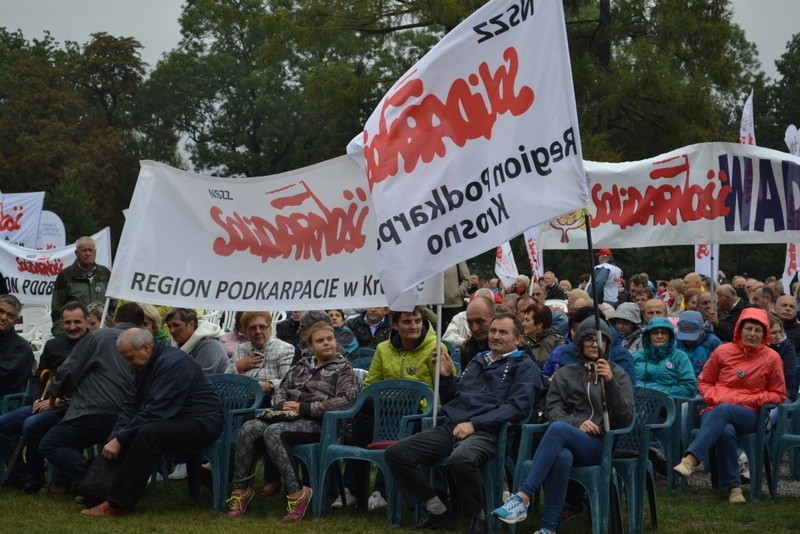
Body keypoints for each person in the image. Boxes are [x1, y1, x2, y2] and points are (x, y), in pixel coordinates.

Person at [385, 313, 542, 534]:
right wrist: (447, 377)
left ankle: (478, 517)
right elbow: (455, 400)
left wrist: (475, 425)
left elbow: (517, 408)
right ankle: (437, 509)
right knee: (396, 453)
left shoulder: (525, 366)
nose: (495, 336)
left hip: (489, 432)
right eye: (493, 331)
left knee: (461, 459)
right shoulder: (479, 360)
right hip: (452, 427)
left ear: (518, 339)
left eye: (503, 332)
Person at [493, 317, 634, 533]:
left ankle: (523, 496)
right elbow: (553, 411)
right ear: (579, 343)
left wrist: (610, 383)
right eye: (588, 340)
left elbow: (625, 418)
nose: (595, 344)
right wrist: (578, 423)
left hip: (600, 446)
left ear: (607, 344)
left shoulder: (618, 374)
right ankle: (548, 528)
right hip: (569, 441)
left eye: (600, 340)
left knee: (558, 429)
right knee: (562, 456)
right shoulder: (565, 374)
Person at [79, 328, 223, 516]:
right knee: (128, 432)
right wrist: (115, 437)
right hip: (175, 419)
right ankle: (97, 492)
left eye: (130, 358)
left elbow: (157, 410)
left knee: (147, 433)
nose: (129, 364)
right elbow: (131, 405)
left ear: (146, 347)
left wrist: (121, 439)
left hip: (203, 422)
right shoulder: (145, 364)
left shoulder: (174, 363)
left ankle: (118, 505)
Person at [225, 322, 357, 520]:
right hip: (287, 418)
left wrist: (305, 408)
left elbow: (346, 401)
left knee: (274, 432)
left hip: (320, 424)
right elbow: (282, 389)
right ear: (311, 346)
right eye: (320, 340)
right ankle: (241, 490)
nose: (327, 343)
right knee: (250, 427)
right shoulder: (301, 365)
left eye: (330, 339)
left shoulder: (343, 368)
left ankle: (296, 493)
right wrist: (282, 406)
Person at [335, 306, 451, 511]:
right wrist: (385, 400)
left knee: (396, 422)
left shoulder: (436, 348)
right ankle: (352, 489)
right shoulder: (383, 349)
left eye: (417, 321)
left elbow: (441, 390)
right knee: (364, 414)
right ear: (395, 325)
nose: (414, 326)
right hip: (387, 408)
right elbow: (371, 385)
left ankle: (381, 490)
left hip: (420, 413)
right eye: (407, 322)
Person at [673, 308, 787, 503]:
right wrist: (716, 396)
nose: (752, 334)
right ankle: (734, 488)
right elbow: (704, 382)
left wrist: (744, 399)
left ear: (765, 333)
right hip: (717, 410)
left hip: (750, 414)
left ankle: (691, 459)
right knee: (725, 430)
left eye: (757, 330)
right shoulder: (723, 351)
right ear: (739, 330)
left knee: (724, 409)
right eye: (748, 329)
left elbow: (779, 394)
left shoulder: (772, 358)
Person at [39, 302, 143, 494]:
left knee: (50, 443)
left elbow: (70, 369)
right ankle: (95, 480)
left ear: (116, 320)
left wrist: (54, 391)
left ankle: (95, 482)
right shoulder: (147, 343)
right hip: (131, 416)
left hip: (96, 410)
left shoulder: (99, 336)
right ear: (142, 323)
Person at [0, 301, 87, 492]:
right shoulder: (53, 345)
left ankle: (36, 478)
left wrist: (54, 401)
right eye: (67, 322)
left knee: (31, 425)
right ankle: (23, 475)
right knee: (2, 423)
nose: (72, 327)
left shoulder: (94, 345)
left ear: (87, 322)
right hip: (44, 403)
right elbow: (37, 378)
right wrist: (37, 399)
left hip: (72, 407)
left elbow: (88, 385)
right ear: (61, 323)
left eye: (77, 322)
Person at [226, 311, 295, 401]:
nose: (258, 331)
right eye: (252, 328)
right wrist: (238, 367)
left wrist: (270, 385)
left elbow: (289, 383)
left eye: (262, 327)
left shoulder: (284, 349)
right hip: (238, 402)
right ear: (244, 331)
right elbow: (225, 381)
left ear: (270, 329)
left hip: (269, 404)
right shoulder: (240, 350)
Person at [50, 236, 112, 335]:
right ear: (76, 253)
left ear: (95, 253)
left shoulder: (105, 273)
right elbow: (57, 310)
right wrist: (61, 335)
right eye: (84, 250)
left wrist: (110, 326)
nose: (88, 253)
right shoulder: (65, 276)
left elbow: (113, 305)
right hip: (76, 334)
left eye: (91, 250)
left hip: (103, 334)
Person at [631, 317, 696, 399]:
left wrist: (659, 395)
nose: (659, 336)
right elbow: (627, 382)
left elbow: (688, 387)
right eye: (655, 333)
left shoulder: (680, 357)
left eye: (664, 333)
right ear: (648, 336)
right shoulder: (636, 356)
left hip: (669, 406)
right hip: (638, 403)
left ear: (670, 336)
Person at [166, 308, 228, 375]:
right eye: (169, 326)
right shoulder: (172, 342)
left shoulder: (209, 344)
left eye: (176, 325)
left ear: (191, 324)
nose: (172, 330)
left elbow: (201, 378)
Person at [0, 294, 34, 397]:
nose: (3, 317)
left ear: (16, 321)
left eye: (10, 315)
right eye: (0, 311)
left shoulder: (22, 348)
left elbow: (5, 381)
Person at [675, 310, 723, 377]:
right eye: (684, 335)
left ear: (702, 330)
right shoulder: (675, 340)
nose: (688, 340)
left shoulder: (713, 343)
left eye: (692, 336)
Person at [521, 303, 565, 368]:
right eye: (524, 319)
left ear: (539, 325)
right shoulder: (520, 341)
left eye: (527, 320)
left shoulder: (557, 342)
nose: (523, 323)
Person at [768, 316, 798, 402]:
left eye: (780, 332)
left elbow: (789, 374)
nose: (778, 336)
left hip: (784, 395)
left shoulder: (787, 347)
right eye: (773, 333)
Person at [442, 262, 472, 327]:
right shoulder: (434, 258)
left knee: (454, 332)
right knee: (438, 334)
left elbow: (467, 280)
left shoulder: (458, 259)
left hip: (455, 305)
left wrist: (457, 293)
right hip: (437, 305)